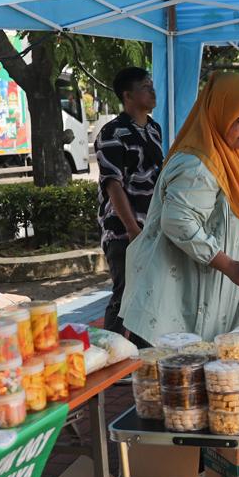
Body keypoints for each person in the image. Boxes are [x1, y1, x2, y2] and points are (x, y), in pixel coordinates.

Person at [119, 72, 239, 342]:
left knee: (220, 368)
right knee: (179, 371)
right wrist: (227, 264)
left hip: (221, 288)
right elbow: (178, 221)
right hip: (181, 293)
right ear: (220, 114)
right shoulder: (198, 163)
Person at [96, 67, 162, 340]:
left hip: (152, 227)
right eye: (146, 87)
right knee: (125, 294)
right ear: (128, 96)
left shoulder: (154, 129)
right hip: (125, 231)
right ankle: (111, 353)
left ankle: (141, 356)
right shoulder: (112, 132)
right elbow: (114, 186)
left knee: (150, 293)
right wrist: (134, 230)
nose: (153, 91)